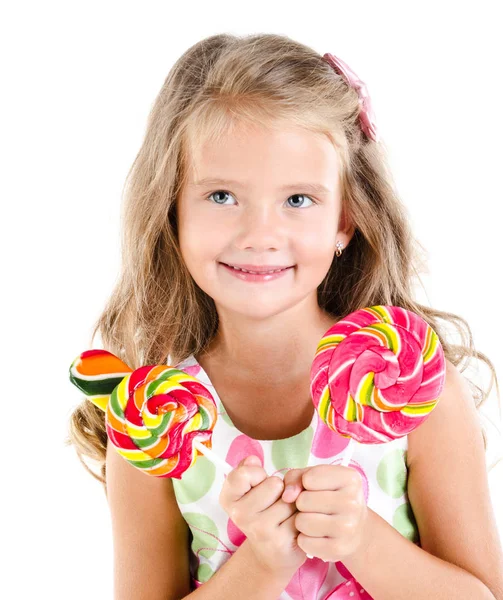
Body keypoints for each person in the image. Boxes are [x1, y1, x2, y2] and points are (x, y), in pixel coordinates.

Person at [66, 33, 503, 600]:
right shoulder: (155, 424)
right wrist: (261, 566)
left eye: (298, 200)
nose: (259, 236)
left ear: (345, 221)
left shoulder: (414, 391)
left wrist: (362, 540)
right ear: (172, 211)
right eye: (222, 195)